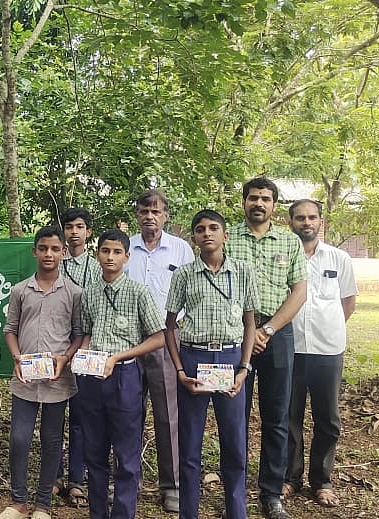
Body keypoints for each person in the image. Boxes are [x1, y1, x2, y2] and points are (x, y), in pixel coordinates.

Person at [165, 210, 257, 519]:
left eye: (214, 228)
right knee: (190, 445)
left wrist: (244, 368)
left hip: (230, 360)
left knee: (234, 442)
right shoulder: (184, 275)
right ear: (193, 238)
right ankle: (188, 513)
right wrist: (180, 371)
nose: (207, 233)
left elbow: (249, 323)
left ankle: (237, 511)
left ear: (225, 235)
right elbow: (169, 326)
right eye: (200, 229)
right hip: (194, 360)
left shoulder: (243, 272)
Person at [224, 177, 306, 519]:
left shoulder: (290, 242)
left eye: (266, 198)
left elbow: (299, 291)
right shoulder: (227, 238)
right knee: (234, 416)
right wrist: (248, 330)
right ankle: (235, 493)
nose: (259, 203)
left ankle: (271, 493)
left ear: (275, 205)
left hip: (277, 334)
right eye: (253, 197)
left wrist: (267, 329)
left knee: (277, 417)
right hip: (234, 332)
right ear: (243, 202)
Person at [0, 226, 84, 519]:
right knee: (19, 437)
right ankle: (18, 501)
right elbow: (10, 330)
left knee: (51, 439)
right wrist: (18, 359)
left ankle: (43, 504)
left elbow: (79, 334)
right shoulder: (20, 290)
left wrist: (65, 359)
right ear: (34, 251)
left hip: (57, 380)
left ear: (63, 253)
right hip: (25, 379)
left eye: (55, 249)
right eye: (43, 248)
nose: (49, 254)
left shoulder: (74, 293)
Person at [76, 229, 166, 519]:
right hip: (92, 377)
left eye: (117, 252)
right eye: (105, 251)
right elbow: (87, 332)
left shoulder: (139, 292)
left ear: (127, 257)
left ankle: (123, 513)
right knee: (95, 451)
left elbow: (158, 337)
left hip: (124, 377)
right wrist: (83, 356)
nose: (110, 257)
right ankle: (97, 513)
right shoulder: (88, 292)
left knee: (126, 455)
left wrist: (118, 357)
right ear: (97, 254)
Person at [123, 189, 193, 513]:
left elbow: (193, 294)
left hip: (167, 340)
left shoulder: (180, 250)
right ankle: (128, 479)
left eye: (156, 210)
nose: (150, 215)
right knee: (128, 413)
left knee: (168, 415)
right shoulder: (127, 249)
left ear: (166, 215)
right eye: (144, 210)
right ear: (137, 214)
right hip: (130, 343)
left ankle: (172, 486)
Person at [284, 200, 357, 507]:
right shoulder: (284, 256)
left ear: (321, 221)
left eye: (312, 217)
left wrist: (330, 328)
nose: (306, 222)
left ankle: (322, 480)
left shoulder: (339, 258)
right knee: (290, 417)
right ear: (291, 223)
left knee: (328, 418)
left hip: (328, 349)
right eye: (300, 218)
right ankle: (289, 477)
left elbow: (348, 301)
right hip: (292, 348)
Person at [55, 206, 99, 507]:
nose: (74, 232)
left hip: (86, 346)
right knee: (55, 411)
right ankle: (54, 475)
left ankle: (77, 479)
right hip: (56, 343)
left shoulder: (97, 267)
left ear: (88, 232)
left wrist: (87, 344)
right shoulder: (54, 260)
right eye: (69, 226)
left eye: (79, 226)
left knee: (82, 415)